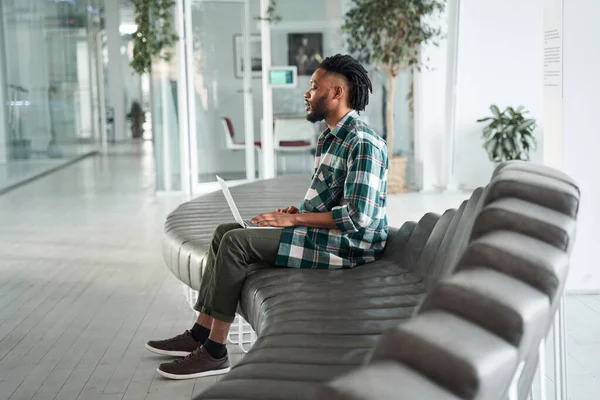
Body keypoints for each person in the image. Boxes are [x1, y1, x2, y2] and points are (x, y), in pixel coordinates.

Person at [146, 54, 389, 380]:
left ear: (336, 94)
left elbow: (359, 217)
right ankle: (200, 333)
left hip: (348, 247)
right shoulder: (330, 136)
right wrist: (298, 212)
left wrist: (296, 221)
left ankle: (216, 353)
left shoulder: (362, 141)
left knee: (235, 243)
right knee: (224, 232)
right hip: (328, 236)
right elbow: (335, 199)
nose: (308, 93)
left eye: (314, 87)